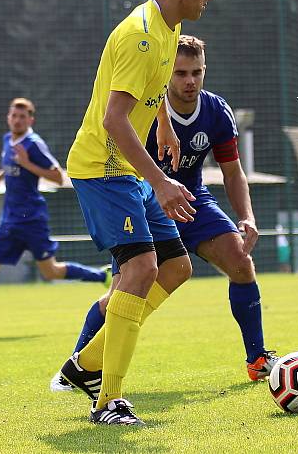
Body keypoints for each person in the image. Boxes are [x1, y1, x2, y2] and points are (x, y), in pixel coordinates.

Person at [51, 35, 277, 393]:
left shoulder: (217, 111)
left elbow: (233, 172)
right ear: (166, 74)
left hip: (192, 200)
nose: (190, 81)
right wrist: (157, 184)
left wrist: (246, 215)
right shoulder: (144, 108)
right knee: (120, 295)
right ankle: (76, 368)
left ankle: (258, 358)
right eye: (181, 73)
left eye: (197, 73)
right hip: (142, 197)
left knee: (240, 260)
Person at [57, 0, 216, 426]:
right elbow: (114, 120)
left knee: (175, 267)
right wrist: (163, 182)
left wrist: (165, 123)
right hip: (104, 169)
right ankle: (108, 401)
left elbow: (153, 89)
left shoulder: (171, 27)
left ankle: (84, 366)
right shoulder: (140, 36)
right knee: (141, 268)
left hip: (129, 171)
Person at [0, 98, 110, 338]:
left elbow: (57, 177)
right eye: (13, 116)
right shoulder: (8, 140)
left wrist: (27, 163)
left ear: (30, 120)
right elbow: (10, 167)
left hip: (32, 219)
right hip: (9, 219)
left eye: (22, 117)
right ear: (8, 118)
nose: (17, 120)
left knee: (51, 272)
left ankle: (101, 275)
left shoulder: (34, 144)